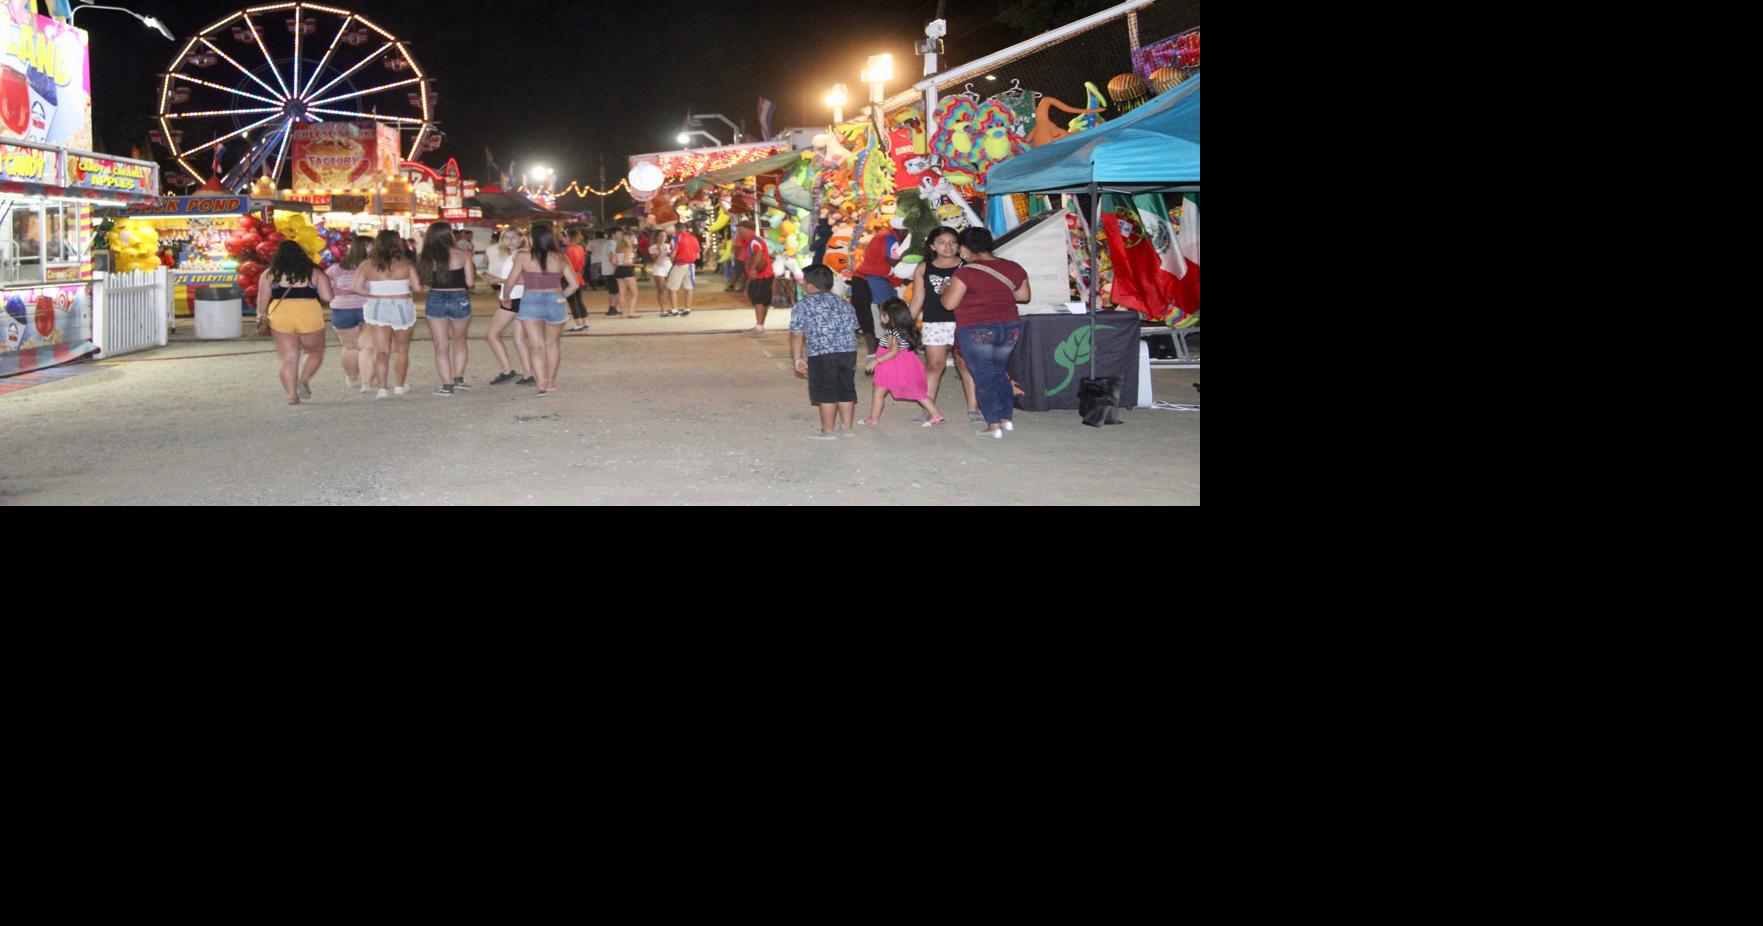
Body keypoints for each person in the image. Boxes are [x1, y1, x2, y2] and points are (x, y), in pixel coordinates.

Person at [941, 227, 1030, 438]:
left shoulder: (965, 272)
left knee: (983, 376)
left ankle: (993, 424)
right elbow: (1023, 296)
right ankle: (1006, 419)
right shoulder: (1013, 267)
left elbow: (949, 303)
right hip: (1009, 327)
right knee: (999, 372)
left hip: (976, 327)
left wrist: (944, 289)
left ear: (964, 249)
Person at [908, 227, 981, 422]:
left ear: (959, 245)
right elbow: (917, 299)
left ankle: (973, 408)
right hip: (934, 322)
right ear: (932, 246)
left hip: (964, 321)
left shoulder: (969, 266)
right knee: (934, 365)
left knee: (965, 364)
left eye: (952, 242)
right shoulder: (924, 268)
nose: (948, 246)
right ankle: (928, 409)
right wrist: (904, 325)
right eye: (942, 242)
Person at [500, 222, 580, 396]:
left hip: (531, 301)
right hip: (554, 300)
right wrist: (561, 297)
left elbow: (511, 281)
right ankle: (550, 382)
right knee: (552, 344)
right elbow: (574, 284)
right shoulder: (560, 257)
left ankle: (541, 384)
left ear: (532, 238)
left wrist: (506, 297)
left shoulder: (523, 256)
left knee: (535, 345)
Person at [259, 240, 335, 405]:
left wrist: (260, 315)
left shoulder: (269, 274)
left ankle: (292, 395)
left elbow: (262, 299)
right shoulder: (314, 273)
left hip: (281, 315)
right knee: (315, 351)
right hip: (309, 313)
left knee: (289, 358)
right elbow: (328, 297)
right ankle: (304, 379)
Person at [789, 263, 860, 440]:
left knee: (826, 391)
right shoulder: (844, 304)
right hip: (847, 352)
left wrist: (798, 358)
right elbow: (854, 328)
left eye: (804, 282)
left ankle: (828, 430)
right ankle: (846, 427)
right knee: (846, 388)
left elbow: (797, 335)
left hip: (821, 354)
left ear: (811, 286)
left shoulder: (802, 306)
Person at [355, 230, 424, 399]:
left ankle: (382, 389)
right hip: (402, 305)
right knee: (401, 349)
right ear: (398, 244)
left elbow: (356, 287)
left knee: (381, 350)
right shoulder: (406, 263)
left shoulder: (366, 264)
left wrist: (373, 293)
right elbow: (417, 287)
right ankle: (399, 386)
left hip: (377, 306)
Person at [861, 298, 944, 427]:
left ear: (888, 317)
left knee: (878, 393)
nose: (880, 317)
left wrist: (875, 361)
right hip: (906, 364)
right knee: (917, 391)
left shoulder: (891, 333)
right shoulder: (905, 330)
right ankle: (936, 414)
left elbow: (893, 352)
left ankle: (873, 419)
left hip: (890, 365)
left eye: (881, 314)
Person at [418, 221, 476, 396]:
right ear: (449, 235)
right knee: (460, 340)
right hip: (459, 297)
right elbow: (470, 283)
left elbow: (423, 282)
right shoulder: (463, 254)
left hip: (435, 297)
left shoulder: (424, 256)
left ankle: (447, 385)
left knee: (441, 345)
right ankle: (458, 378)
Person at [481, 228, 534, 386]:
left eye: (513, 237)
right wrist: (498, 279)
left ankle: (507, 371)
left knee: (492, 334)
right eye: (506, 237)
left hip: (514, 298)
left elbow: (526, 280)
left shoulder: (520, 254)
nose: (510, 240)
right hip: (517, 297)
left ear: (521, 238)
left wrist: (500, 281)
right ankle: (528, 375)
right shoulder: (515, 255)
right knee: (519, 339)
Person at [325, 236, 373, 392]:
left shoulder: (335, 268)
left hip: (341, 308)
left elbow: (326, 289)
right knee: (368, 346)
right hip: (369, 307)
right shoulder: (372, 267)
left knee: (349, 346)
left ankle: (352, 378)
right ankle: (368, 379)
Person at [743, 221, 775, 333]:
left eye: (741, 229)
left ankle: (759, 325)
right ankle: (761, 324)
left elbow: (758, 253)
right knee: (764, 300)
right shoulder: (758, 239)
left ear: (747, 230)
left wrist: (753, 268)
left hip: (761, 275)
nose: (739, 231)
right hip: (767, 273)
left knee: (758, 299)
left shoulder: (753, 241)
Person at [663, 222, 700, 317]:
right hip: (691, 265)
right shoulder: (694, 239)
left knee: (672, 288)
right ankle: (687, 309)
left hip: (680, 264)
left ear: (676, 230)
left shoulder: (676, 238)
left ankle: (674, 311)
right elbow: (698, 255)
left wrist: (669, 255)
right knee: (688, 288)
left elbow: (673, 254)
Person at [564, 229, 591, 332]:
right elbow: (583, 263)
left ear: (568, 237)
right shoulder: (580, 248)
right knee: (579, 300)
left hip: (569, 277)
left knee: (572, 301)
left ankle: (579, 323)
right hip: (578, 276)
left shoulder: (567, 250)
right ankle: (584, 322)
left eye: (564, 237)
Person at [593, 229, 619, 316]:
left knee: (612, 290)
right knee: (615, 290)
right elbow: (611, 256)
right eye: (620, 233)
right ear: (614, 234)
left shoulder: (608, 243)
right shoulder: (611, 243)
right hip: (611, 270)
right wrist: (616, 268)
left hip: (608, 269)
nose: (621, 235)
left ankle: (612, 308)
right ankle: (612, 308)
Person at [614, 229, 639, 316]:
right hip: (626, 270)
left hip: (618, 270)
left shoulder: (618, 248)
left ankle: (624, 312)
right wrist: (636, 265)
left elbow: (614, 261)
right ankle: (631, 312)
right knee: (634, 293)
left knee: (622, 293)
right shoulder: (629, 248)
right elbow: (625, 262)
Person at [650, 228, 674, 315]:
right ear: (657, 237)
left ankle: (673, 308)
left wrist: (671, 254)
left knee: (671, 288)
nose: (663, 237)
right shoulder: (653, 247)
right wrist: (660, 252)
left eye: (665, 236)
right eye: (661, 235)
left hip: (669, 267)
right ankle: (663, 310)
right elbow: (655, 260)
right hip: (659, 268)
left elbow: (672, 258)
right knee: (661, 289)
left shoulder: (669, 246)